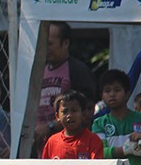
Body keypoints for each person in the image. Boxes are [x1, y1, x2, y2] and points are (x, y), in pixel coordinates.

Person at [34, 22, 97, 152]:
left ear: (65, 43)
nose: (46, 48)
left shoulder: (77, 70)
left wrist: (50, 127)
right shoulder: (39, 71)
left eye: (50, 44)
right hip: (44, 148)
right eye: (43, 43)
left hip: (73, 147)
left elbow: (86, 111)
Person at [41, 91, 104, 160]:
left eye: (74, 110)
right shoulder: (52, 142)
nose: (69, 115)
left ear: (83, 114)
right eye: (65, 111)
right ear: (57, 116)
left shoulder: (93, 141)